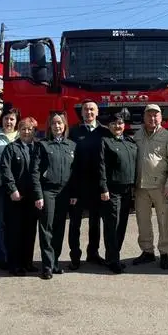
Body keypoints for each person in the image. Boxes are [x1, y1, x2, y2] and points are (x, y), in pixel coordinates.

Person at [31, 111, 76, 280]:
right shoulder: (43, 145)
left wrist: (74, 193)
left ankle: (55, 262)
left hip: (64, 192)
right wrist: (38, 194)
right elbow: (35, 171)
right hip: (48, 191)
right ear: (49, 126)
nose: (57, 126)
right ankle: (47, 266)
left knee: (59, 228)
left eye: (60, 123)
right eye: (54, 123)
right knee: (47, 228)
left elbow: (74, 172)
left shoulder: (71, 146)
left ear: (65, 126)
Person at [132, 104, 168, 269]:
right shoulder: (137, 135)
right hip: (141, 186)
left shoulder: (167, 136)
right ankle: (147, 252)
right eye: (149, 115)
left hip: (161, 187)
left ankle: (164, 253)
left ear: (160, 117)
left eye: (155, 115)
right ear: (144, 117)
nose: (152, 118)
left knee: (164, 221)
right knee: (143, 222)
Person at [67, 100, 107, 270]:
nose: (89, 112)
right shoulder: (74, 131)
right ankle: (75, 256)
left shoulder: (105, 131)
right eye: (85, 110)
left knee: (95, 222)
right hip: (77, 185)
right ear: (81, 113)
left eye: (92, 109)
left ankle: (93, 253)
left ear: (97, 112)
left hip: (97, 185)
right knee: (75, 223)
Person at [98, 112, 138, 274]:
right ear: (109, 126)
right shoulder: (105, 142)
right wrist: (103, 188)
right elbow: (101, 167)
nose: (117, 126)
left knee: (122, 225)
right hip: (112, 190)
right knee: (112, 225)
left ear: (124, 125)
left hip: (127, 189)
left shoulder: (130, 142)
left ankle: (115, 256)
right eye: (114, 124)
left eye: (120, 123)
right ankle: (112, 260)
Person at [0, 116, 38, 276]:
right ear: (18, 131)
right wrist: (12, 190)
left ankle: (28, 262)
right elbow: (5, 170)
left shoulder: (37, 148)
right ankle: (15, 265)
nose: (26, 132)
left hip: (31, 198)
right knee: (15, 232)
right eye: (23, 129)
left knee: (30, 231)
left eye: (29, 129)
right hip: (15, 198)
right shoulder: (11, 148)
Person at [0, 106, 20, 270]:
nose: (9, 122)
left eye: (12, 119)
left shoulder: (21, 135)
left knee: (14, 222)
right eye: (6, 118)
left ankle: (15, 255)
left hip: (17, 186)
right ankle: (1, 257)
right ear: (1, 119)